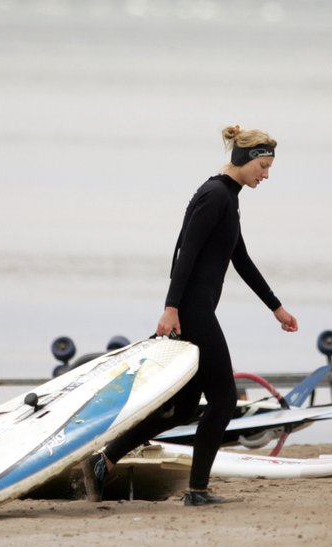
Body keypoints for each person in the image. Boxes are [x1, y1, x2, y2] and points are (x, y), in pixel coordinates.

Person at [82, 124, 298, 506]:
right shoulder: (214, 196)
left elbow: (240, 259)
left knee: (183, 408)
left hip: (193, 310)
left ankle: (103, 461)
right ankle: (197, 491)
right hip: (193, 313)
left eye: (268, 168)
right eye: (263, 166)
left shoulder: (227, 198)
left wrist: (276, 307)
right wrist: (171, 308)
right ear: (246, 160)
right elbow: (185, 253)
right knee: (224, 400)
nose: (266, 175)